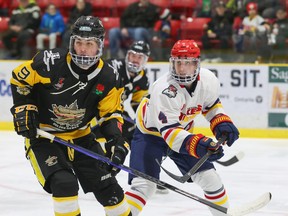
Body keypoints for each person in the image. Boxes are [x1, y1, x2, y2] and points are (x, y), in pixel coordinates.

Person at [10, 16, 132, 216]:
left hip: (81, 137)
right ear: (71, 42)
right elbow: (19, 78)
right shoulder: (50, 62)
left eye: (89, 44)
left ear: (99, 45)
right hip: (44, 138)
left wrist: (116, 142)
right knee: (64, 183)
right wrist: (24, 107)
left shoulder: (109, 76)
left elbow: (110, 114)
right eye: (79, 42)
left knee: (110, 190)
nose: (82, 49)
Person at [125, 40, 239, 216]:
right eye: (178, 63)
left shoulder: (208, 80)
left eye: (188, 63)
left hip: (183, 133)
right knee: (143, 186)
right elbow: (170, 134)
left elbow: (211, 106)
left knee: (211, 179)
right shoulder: (164, 89)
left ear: (197, 64)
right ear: (172, 63)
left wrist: (221, 122)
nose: (182, 68)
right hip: (150, 135)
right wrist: (201, 144)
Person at [92, 40, 151, 145]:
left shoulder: (143, 79)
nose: (135, 60)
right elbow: (94, 91)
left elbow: (137, 103)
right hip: (96, 108)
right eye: (133, 55)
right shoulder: (113, 67)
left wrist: (146, 119)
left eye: (139, 57)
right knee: (95, 136)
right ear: (127, 55)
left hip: (116, 110)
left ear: (145, 60)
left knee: (134, 132)